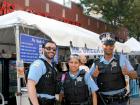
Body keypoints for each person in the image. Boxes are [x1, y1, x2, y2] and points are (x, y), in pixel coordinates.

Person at [90, 32, 137, 105]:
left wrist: (128, 73)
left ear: (114, 46)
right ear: (102, 46)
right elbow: (87, 80)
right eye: (106, 45)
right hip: (103, 101)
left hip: (119, 101)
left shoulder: (121, 58)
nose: (108, 47)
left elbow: (135, 75)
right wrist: (93, 76)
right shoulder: (96, 62)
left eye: (111, 45)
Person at [27, 40, 58, 105]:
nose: (51, 51)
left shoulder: (52, 65)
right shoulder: (39, 64)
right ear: (43, 49)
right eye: (48, 48)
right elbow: (30, 85)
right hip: (41, 102)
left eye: (54, 49)